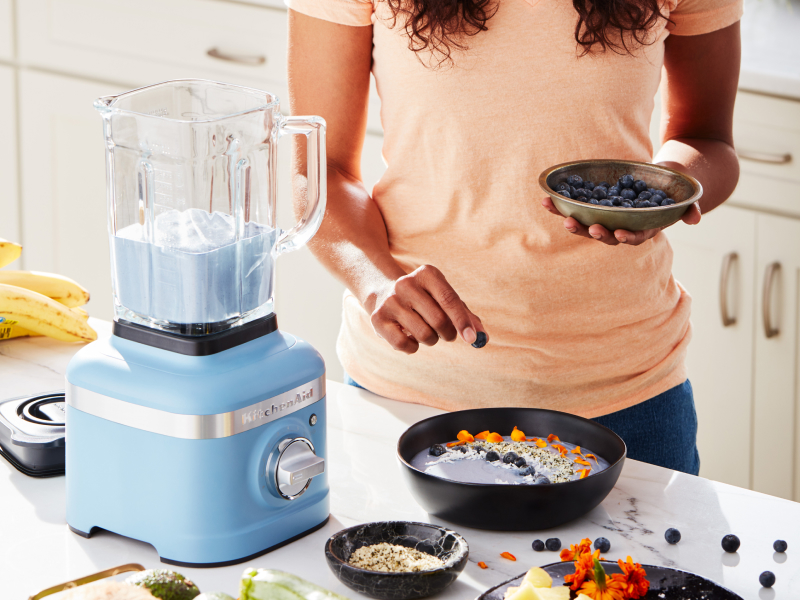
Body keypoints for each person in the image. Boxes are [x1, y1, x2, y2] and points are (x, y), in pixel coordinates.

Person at [286, 0, 742, 475]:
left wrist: (659, 192)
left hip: (625, 391)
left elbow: (708, 137)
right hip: (412, 392)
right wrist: (374, 280)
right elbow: (319, 171)